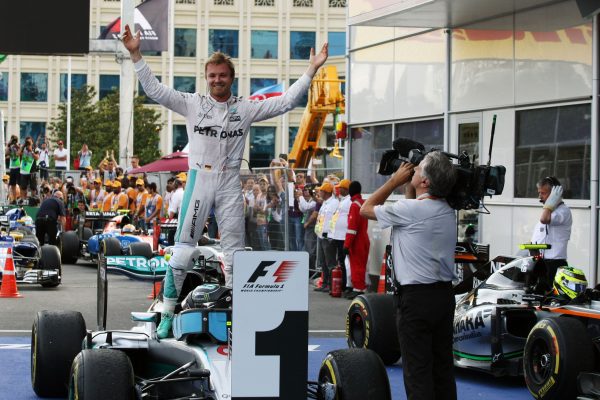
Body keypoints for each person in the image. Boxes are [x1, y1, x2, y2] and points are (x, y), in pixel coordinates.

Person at [121, 23, 329, 338]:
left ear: (231, 78)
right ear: (207, 79)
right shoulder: (192, 103)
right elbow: (155, 90)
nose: (217, 80)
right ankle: (166, 313)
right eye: (212, 76)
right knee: (181, 253)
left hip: (231, 182)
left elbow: (286, 102)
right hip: (199, 179)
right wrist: (136, 54)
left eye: (223, 75)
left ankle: (236, 314)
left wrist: (311, 70)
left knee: (235, 254)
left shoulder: (244, 108)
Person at [361, 151, 458, 400]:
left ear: (425, 182)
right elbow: (413, 210)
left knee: (417, 370)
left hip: (415, 300)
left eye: (417, 169)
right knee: (442, 368)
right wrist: (408, 186)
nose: (412, 170)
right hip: (443, 297)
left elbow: (366, 209)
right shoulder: (448, 210)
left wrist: (393, 181)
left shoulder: (411, 211)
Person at [530, 176, 572, 287]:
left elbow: (544, 219)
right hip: (542, 262)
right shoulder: (548, 211)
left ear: (555, 194)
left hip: (554, 264)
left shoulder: (563, 211)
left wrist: (549, 205)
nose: (540, 196)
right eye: (539, 192)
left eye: (543, 193)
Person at [343, 181, 369, 299]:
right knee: (361, 265)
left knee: (356, 265)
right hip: (364, 239)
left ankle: (359, 289)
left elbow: (352, 228)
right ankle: (358, 288)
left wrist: (346, 245)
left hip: (357, 241)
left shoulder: (354, 205)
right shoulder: (362, 203)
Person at [314, 182, 339, 293]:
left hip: (327, 237)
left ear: (327, 192)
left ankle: (330, 284)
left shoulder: (334, 203)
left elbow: (333, 220)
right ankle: (325, 283)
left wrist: (329, 234)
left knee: (330, 262)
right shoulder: (325, 203)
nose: (319, 192)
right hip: (321, 235)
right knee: (323, 261)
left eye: (321, 191)